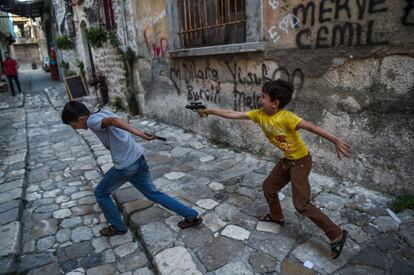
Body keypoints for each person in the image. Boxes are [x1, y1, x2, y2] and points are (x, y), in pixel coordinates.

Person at [195, 79, 350, 259]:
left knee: (301, 204)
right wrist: (210, 111)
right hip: (287, 161)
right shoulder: (259, 114)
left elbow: (312, 128)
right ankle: (277, 216)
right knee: (269, 187)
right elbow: (233, 114)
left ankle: (336, 233)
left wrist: (336, 141)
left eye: (263, 97)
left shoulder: (287, 117)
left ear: (275, 103)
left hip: (300, 162)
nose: (260, 99)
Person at [61, 101, 203, 237]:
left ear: (80, 119)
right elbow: (114, 121)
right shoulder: (101, 112)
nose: (75, 128)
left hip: (126, 166)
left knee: (100, 193)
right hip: (138, 159)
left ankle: (118, 227)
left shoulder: (91, 121)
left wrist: (140, 134)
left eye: (73, 125)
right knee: (153, 193)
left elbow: (113, 121)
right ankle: (191, 215)